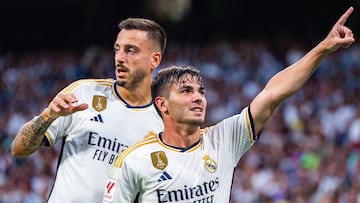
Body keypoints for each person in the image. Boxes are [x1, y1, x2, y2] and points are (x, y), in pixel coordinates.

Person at [102, 7, 355, 202]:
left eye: (201, 91)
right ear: (163, 104)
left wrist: (322, 48)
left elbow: (272, 93)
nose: (198, 97)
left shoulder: (224, 139)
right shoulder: (134, 160)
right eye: (186, 91)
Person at [10, 17, 167, 203]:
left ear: (154, 59)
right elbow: (19, 149)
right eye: (117, 49)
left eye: (131, 50)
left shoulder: (163, 124)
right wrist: (47, 117)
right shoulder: (84, 92)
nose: (120, 58)